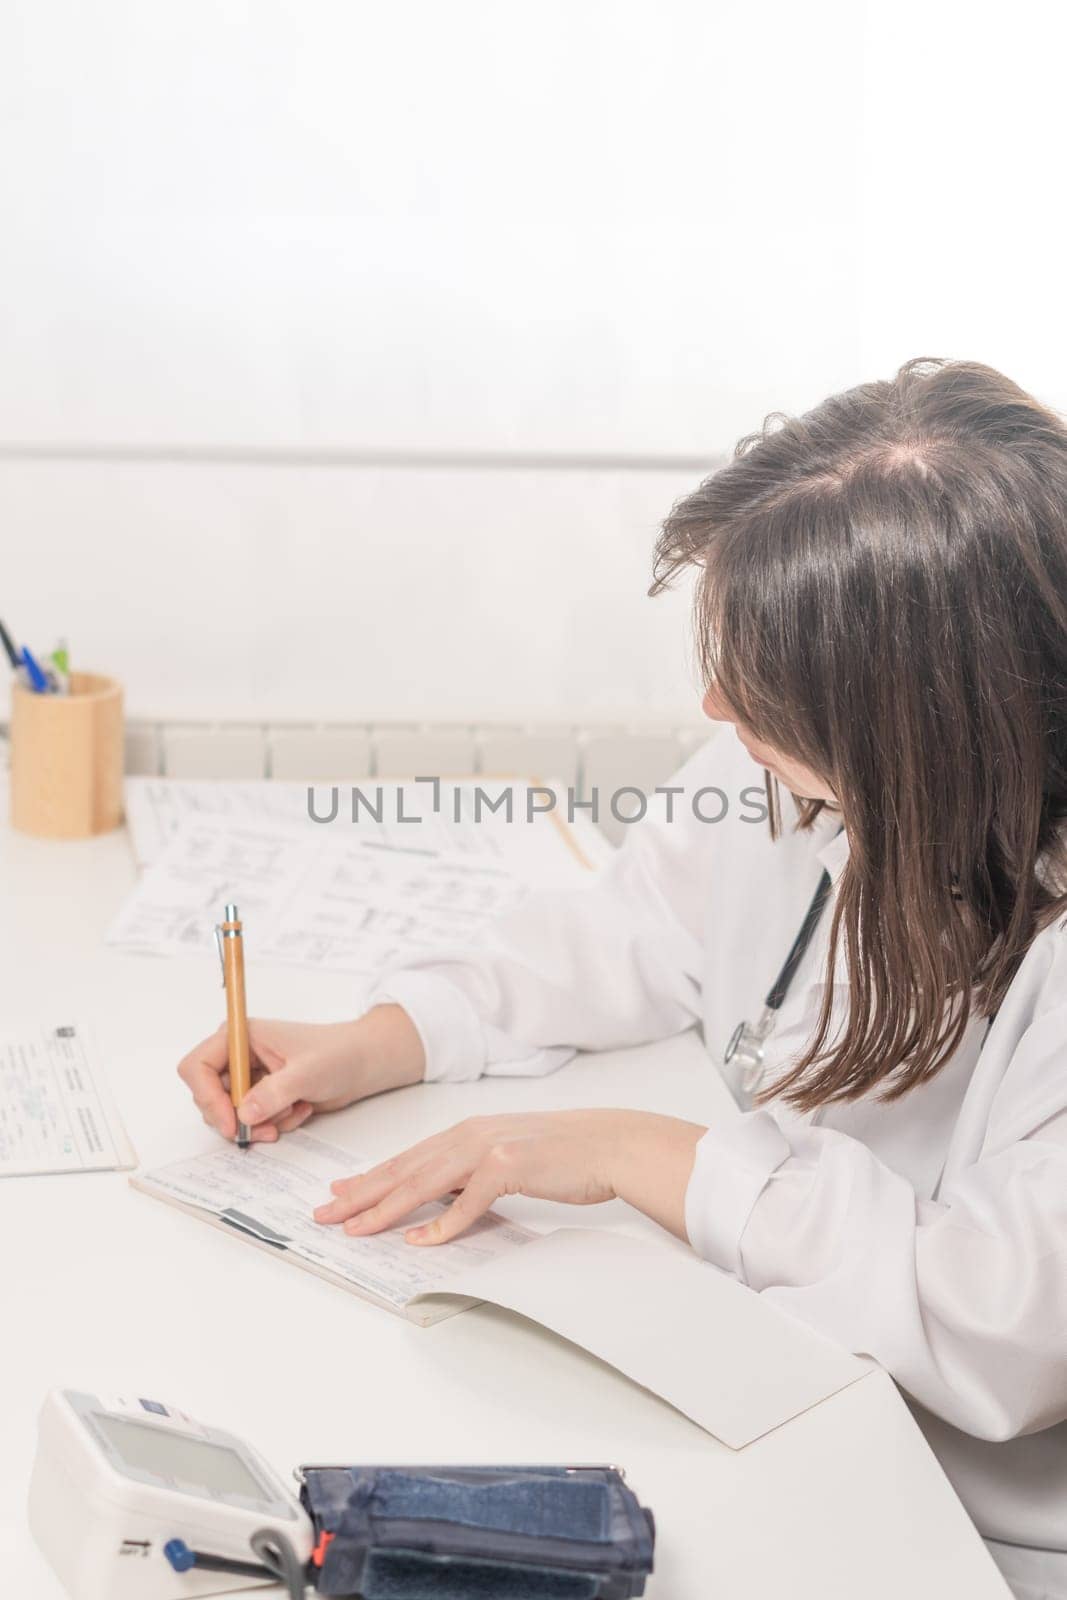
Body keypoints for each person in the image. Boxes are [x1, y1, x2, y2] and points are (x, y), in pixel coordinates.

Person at [178, 358, 1067, 1599]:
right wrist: (390, 1036)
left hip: (956, 1520)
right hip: (787, 1381)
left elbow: (1000, 1325)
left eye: (770, 683)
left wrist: (649, 1156)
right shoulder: (792, 767)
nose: (715, 701)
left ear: (922, 724)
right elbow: (629, 927)